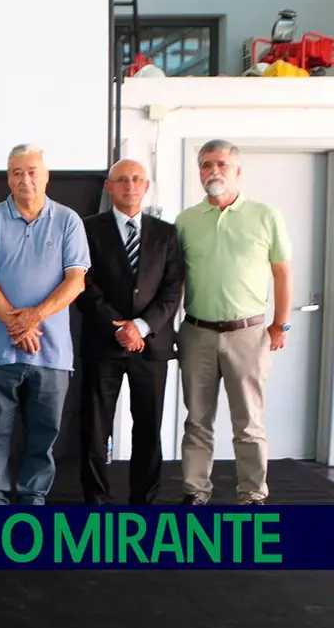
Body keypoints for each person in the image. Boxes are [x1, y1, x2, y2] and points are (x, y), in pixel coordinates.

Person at [0, 144, 90, 505]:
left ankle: (33, 500)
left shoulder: (68, 220)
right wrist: (15, 324)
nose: (25, 179)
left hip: (51, 353)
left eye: (32, 171)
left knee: (44, 434)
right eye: (17, 172)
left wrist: (32, 319)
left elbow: (76, 281)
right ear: (8, 177)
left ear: (46, 174)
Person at [174, 139, 292, 505]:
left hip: (248, 334)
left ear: (237, 170)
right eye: (207, 165)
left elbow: (282, 273)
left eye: (222, 164)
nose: (214, 171)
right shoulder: (186, 221)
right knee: (196, 420)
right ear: (199, 172)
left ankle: (253, 493)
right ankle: (196, 491)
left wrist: (279, 324)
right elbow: (176, 279)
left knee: (249, 422)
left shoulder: (265, 216)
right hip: (197, 333)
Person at [76, 158, 183, 505]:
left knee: (149, 430)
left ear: (146, 185)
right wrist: (118, 328)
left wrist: (139, 327)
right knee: (95, 430)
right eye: (122, 180)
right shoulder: (88, 228)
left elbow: (172, 288)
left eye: (137, 179)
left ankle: (145, 503)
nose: (130, 185)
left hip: (151, 348)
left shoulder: (166, 233)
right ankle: (96, 503)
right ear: (109, 187)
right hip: (103, 345)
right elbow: (84, 285)